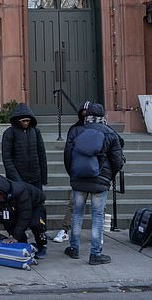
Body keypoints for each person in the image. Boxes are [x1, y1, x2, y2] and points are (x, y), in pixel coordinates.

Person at [54, 101, 125, 243]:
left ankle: (74, 247)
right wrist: (109, 176)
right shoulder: (109, 131)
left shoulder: (76, 131)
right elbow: (117, 160)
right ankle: (96, 251)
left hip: (80, 178)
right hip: (99, 178)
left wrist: (73, 173)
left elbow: (67, 157)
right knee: (97, 214)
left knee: (78, 213)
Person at [0, 174, 48, 259]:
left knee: (37, 224)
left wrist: (15, 236)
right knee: (6, 220)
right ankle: (22, 242)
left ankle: (41, 245)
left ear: (4, 191)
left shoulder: (21, 191)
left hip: (35, 206)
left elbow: (25, 215)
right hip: (13, 208)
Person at [53, 101, 91, 243]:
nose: (86, 115)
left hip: (97, 174)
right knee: (74, 203)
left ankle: (98, 234)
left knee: (99, 208)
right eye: (84, 112)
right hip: (79, 172)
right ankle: (65, 230)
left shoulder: (102, 128)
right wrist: (72, 171)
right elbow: (68, 153)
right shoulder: (75, 129)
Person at [1, 103, 48, 190]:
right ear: (18, 120)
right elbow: (7, 158)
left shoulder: (35, 132)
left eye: (28, 121)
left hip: (35, 177)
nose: (26, 123)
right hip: (18, 177)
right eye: (23, 121)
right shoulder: (9, 133)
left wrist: (43, 177)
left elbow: (42, 155)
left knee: (37, 202)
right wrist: (16, 179)